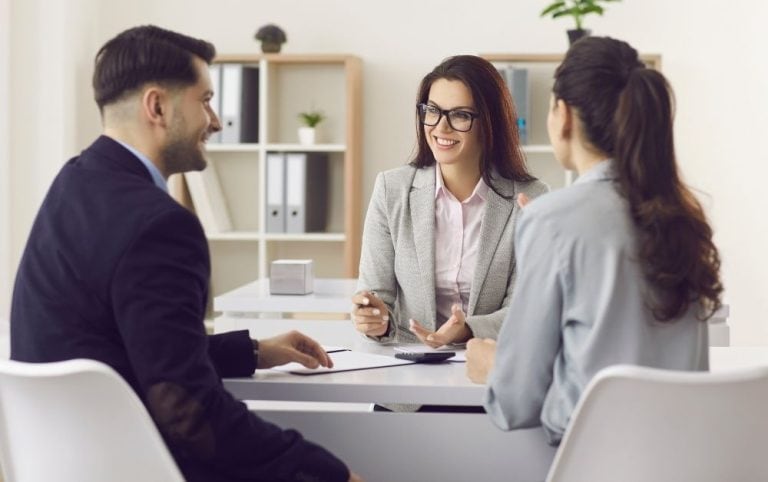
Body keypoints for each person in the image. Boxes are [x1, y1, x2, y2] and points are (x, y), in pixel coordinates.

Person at [10, 25, 362, 482]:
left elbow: (138, 353)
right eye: (206, 100)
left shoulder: (73, 183)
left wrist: (255, 351)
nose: (215, 121)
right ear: (157, 106)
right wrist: (331, 473)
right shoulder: (160, 225)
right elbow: (191, 416)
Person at [465, 36, 723, 445]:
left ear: (562, 114)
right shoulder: (684, 216)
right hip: (685, 460)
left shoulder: (552, 221)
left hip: (597, 461)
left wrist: (490, 365)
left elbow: (515, 404)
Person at [352, 55, 548, 346]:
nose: (440, 128)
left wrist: (468, 328)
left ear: (490, 122)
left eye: (460, 115)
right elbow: (377, 296)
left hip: (492, 362)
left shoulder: (530, 198)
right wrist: (376, 320)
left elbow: (526, 307)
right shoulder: (391, 190)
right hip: (407, 367)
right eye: (432, 111)